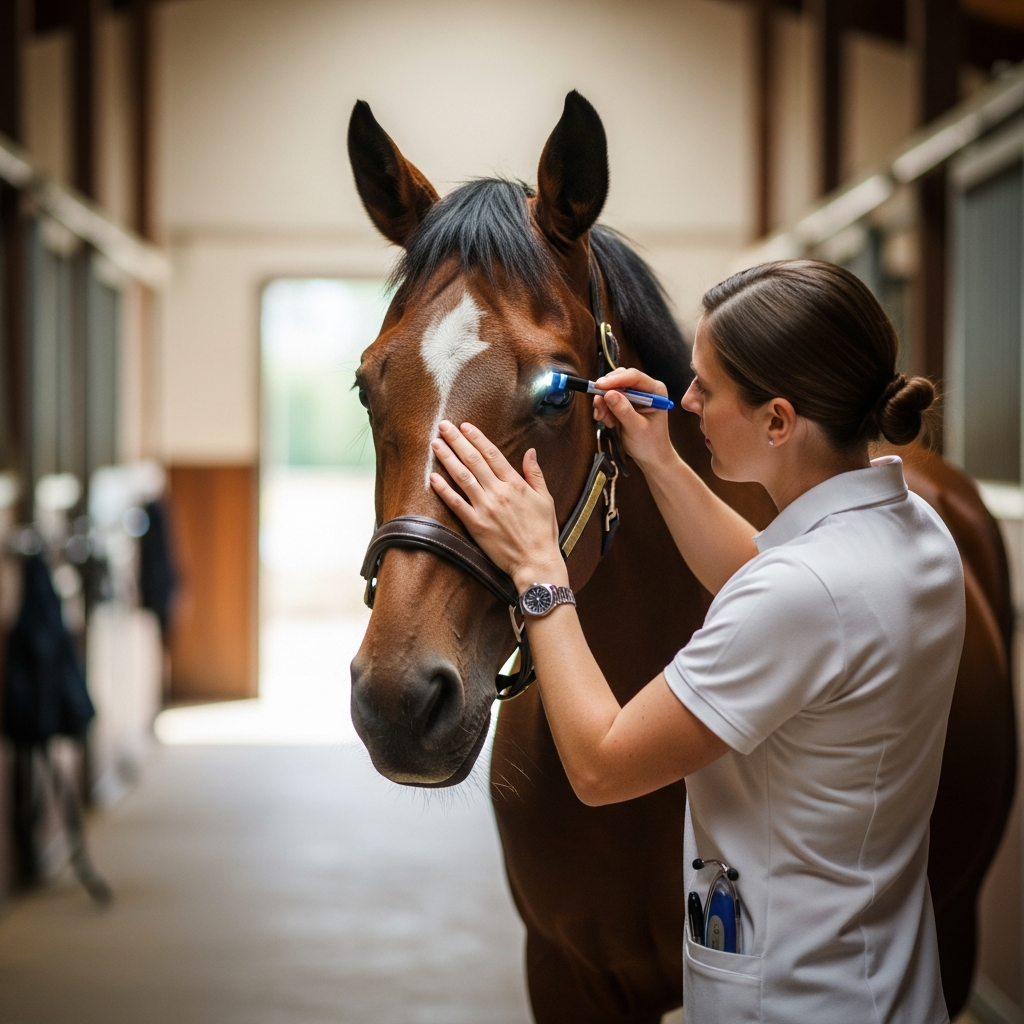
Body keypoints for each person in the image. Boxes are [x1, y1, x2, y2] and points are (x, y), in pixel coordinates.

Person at [427, 259, 964, 1023]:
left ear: (778, 421)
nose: (683, 401)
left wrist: (539, 567)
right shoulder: (913, 533)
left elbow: (601, 766)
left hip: (791, 1003)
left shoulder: (801, 595)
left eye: (705, 388)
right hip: (881, 983)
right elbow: (768, 577)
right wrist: (659, 457)